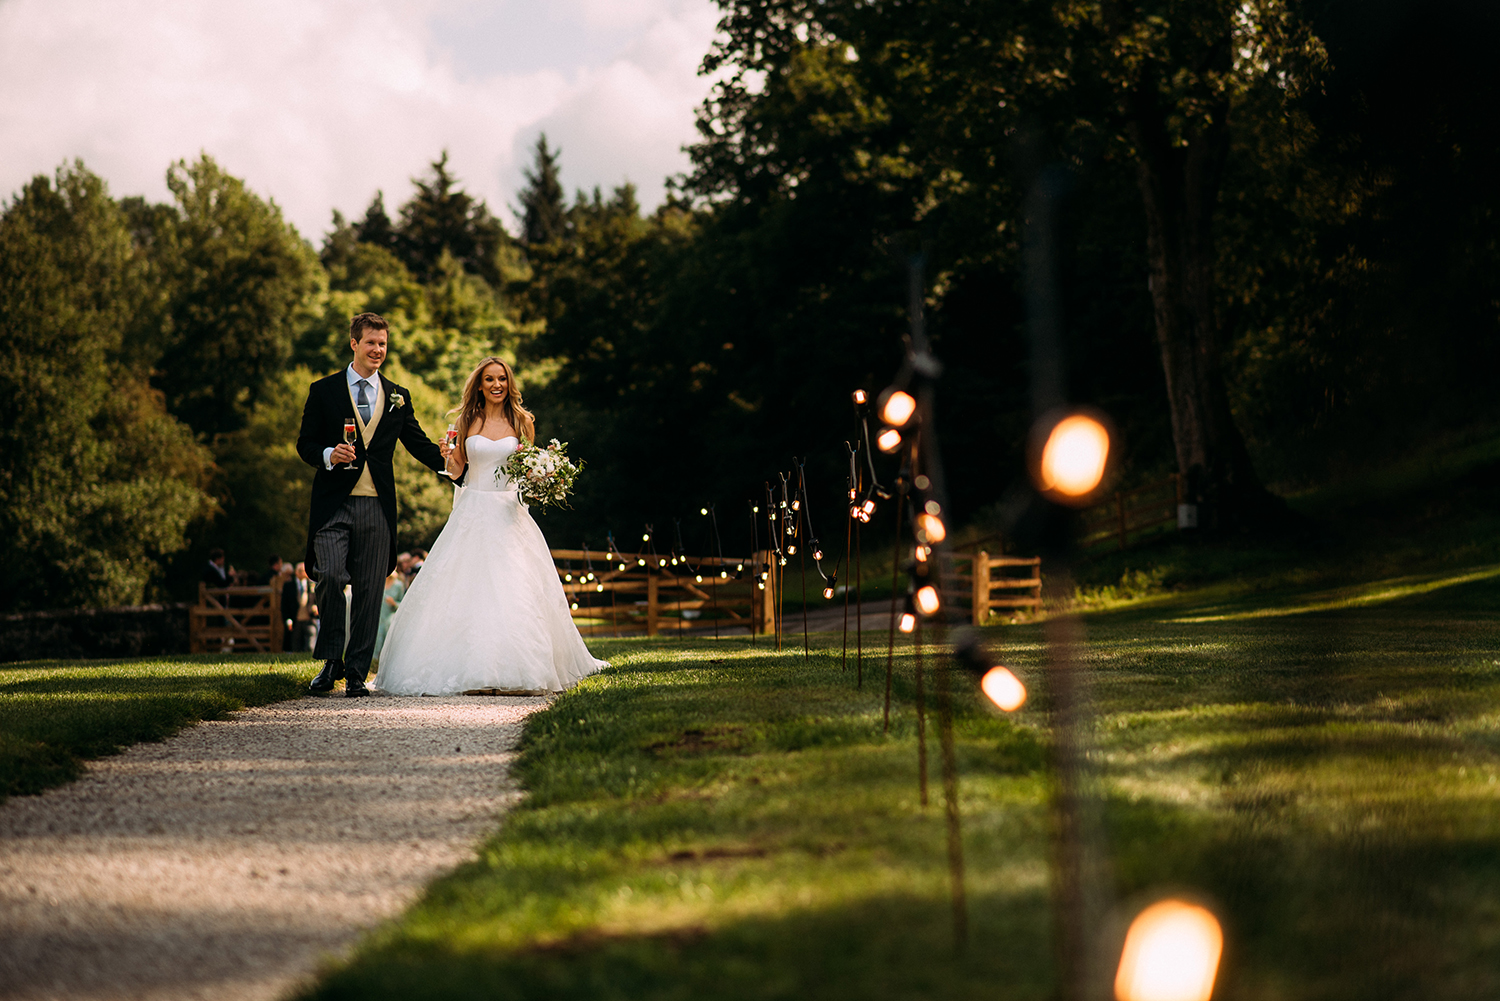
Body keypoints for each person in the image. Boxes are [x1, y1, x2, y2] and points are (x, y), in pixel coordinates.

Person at [375, 357, 607, 694]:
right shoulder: (467, 419)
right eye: (489, 379)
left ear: (508, 383)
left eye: (501, 378)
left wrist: (542, 475)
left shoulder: (522, 421)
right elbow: (458, 472)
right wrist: (447, 456)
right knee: (468, 587)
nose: (496, 385)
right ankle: (469, 670)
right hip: (473, 509)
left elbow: (527, 465)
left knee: (514, 588)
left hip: (509, 513)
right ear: (480, 384)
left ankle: (518, 669)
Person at [295, 312, 446, 697]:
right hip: (334, 505)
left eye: (382, 343)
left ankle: (358, 672)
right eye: (371, 343)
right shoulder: (323, 390)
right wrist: (330, 453)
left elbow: (418, 443)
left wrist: (456, 464)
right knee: (328, 574)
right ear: (354, 344)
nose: (378, 350)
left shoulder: (398, 395)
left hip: (378, 507)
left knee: (368, 591)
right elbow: (305, 444)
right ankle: (332, 661)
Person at [369, 569, 406, 673]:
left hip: (389, 618)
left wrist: (393, 603)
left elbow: (403, 606)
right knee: (375, 641)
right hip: (376, 618)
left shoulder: (398, 585)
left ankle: (386, 668)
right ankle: (372, 666)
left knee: (387, 640)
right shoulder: (376, 583)